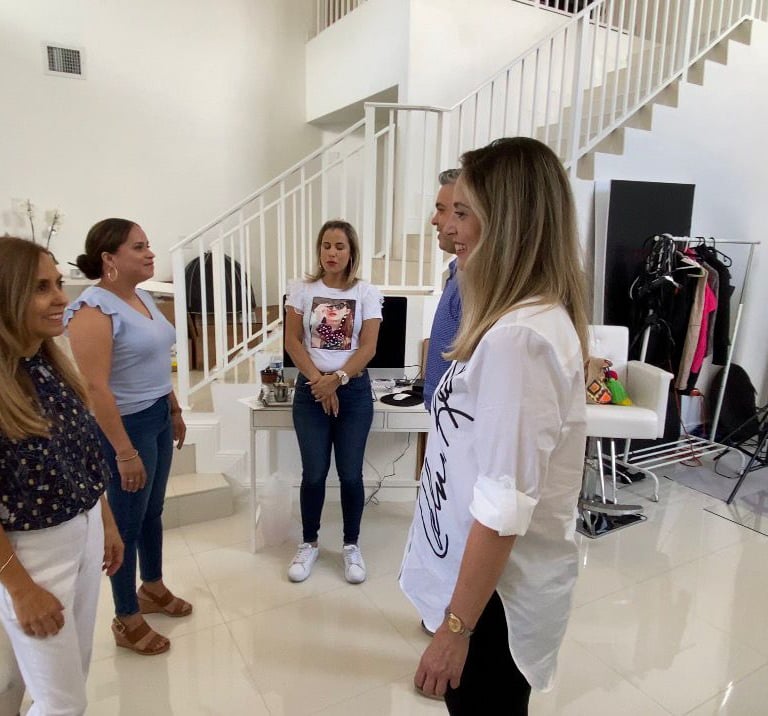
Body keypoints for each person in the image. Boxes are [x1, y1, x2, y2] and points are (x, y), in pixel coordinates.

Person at [399, 137, 589, 715]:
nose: (450, 227)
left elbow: (504, 505)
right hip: (484, 588)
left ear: (506, 223)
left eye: (464, 211)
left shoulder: (519, 339)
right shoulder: (515, 320)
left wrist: (456, 628)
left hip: (493, 603)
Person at [0, 237, 123, 714]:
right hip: (31, 553)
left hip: (83, 529)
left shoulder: (49, 361)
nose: (61, 298)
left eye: (57, 283)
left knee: (75, 673)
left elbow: (83, 456)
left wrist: (104, 521)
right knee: (62, 703)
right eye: (41, 288)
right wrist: (21, 588)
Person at [64, 218, 191, 657]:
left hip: (157, 415)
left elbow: (157, 361)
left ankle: (152, 586)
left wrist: (174, 408)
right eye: (139, 247)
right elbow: (96, 388)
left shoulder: (142, 297)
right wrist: (123, 451)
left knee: (153, 511)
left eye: (148, 245)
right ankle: (126, 615)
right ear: (109, 258)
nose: (150, 253)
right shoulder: (92, 309)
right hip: (125, 426)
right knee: (125, 524)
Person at [284, 219, 383, 584]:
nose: (331, 252)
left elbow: (368, 347)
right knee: (313, 474)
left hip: (352, 392)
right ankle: (309, 543)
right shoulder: (301, 289)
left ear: (351, 251)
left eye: (339, 246)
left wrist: (337, 380)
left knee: (350, 474)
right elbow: (292, 341)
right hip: (311, 391)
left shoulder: (367, 292)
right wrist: (319, 383)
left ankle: (351, 545)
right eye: (326, 245)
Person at [423, 168, 462, 411]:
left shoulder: (478, 286)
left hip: (454, 417)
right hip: (442, 413)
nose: (434, 220)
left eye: (441, 209)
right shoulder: (457, 271)